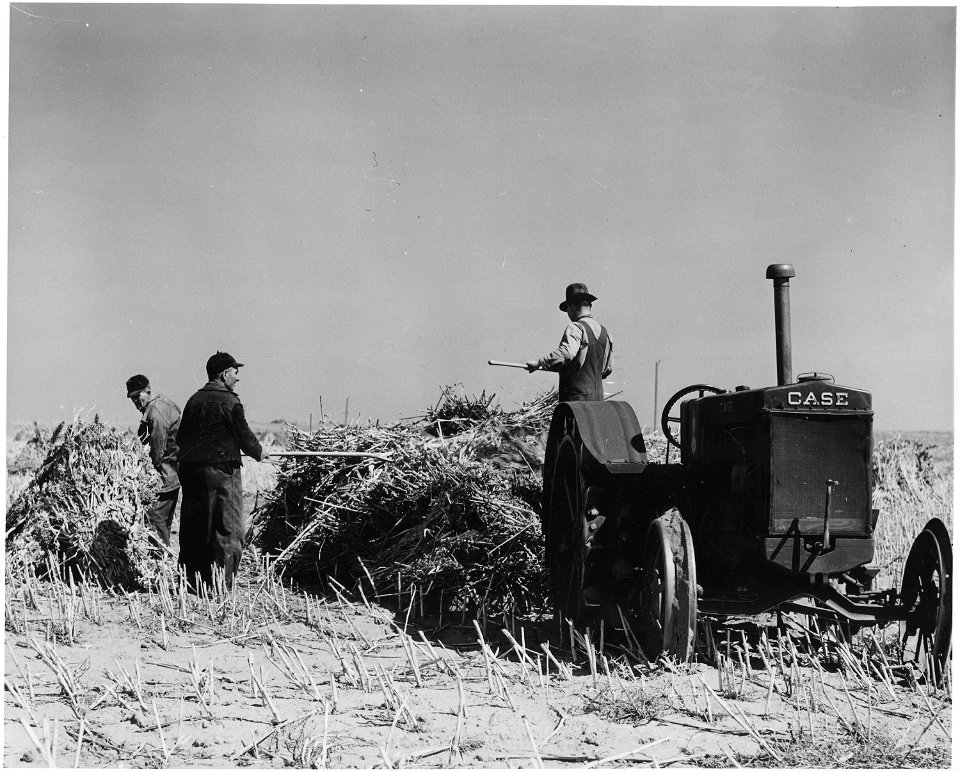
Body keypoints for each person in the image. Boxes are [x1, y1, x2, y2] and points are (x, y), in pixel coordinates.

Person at [175, 352, 269, 589]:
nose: (237, 378)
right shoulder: (230, 402)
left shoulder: (193, 400)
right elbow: (245, 437)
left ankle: (191, 583)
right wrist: (260, 452)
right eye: (235, 372)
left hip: (191, 471)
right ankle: (222, 585)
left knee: (195, 526)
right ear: (224, 374)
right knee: (228, 528)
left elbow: (182, 438)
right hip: (221, 472)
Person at [526, 282, 614, 402]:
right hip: (598, 402)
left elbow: (566, 353)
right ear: (589, 306)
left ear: (571, 308)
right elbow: (607, 369)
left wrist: (540, 363)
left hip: (576, 401)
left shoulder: (576, 328)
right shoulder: (606, 333)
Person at [126, 374, 181, 546]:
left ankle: (160, 563)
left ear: (147, 391)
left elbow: (157, 450)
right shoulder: (164, 403)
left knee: (156, 523)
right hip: (173, 474)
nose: (135, 401)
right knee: (164, 522)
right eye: (132, 398)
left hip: (163, 477)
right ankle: (163, 560)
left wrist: (147, 473)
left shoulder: (155, 414)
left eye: (138, 396)